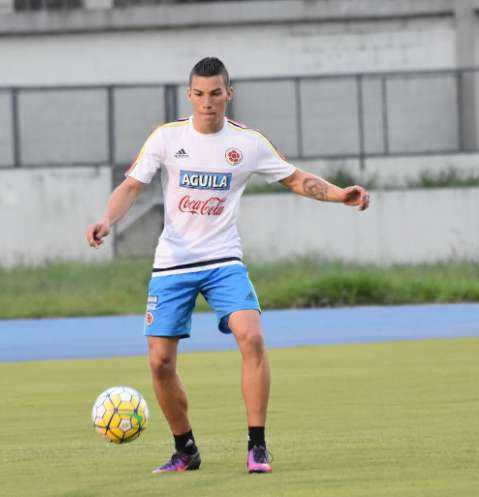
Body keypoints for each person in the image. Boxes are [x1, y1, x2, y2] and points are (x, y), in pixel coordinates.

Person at [86, 57, 370, 474]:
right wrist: (106, 220)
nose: (207, 103)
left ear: (228, 95)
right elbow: (132, 185)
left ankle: (257, 447)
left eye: (215, 94)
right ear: (189, 96)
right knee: (159, 362)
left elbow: (294, 178)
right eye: (199, 94)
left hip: (223, 261)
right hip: (173, 265)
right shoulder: (166, 139)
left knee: (251, 337)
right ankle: (185, 450)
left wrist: (340, 194)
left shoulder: (249, 144)